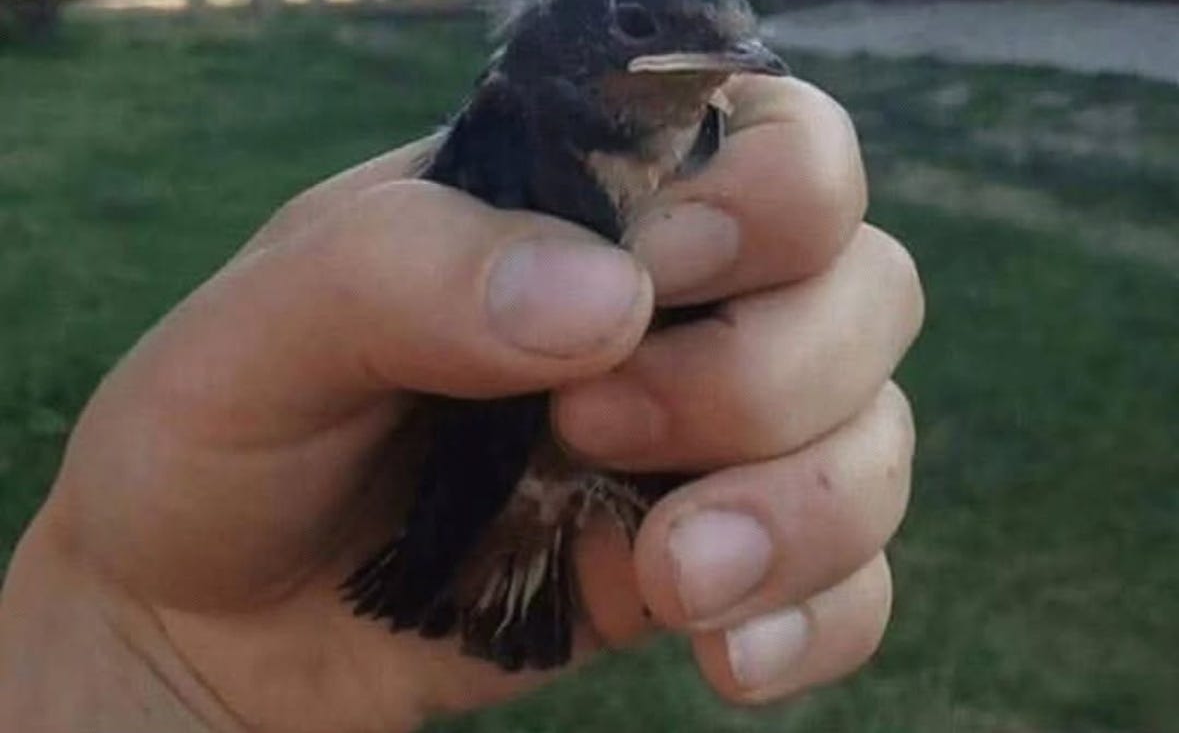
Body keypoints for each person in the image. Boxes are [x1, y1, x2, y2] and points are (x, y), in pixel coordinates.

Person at [0, 73, 923, 733]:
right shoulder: (518, 121)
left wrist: (139, 655)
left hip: (541, 476)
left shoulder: (696, 138)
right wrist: (139, 649)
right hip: (481, 459)